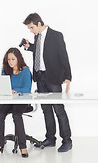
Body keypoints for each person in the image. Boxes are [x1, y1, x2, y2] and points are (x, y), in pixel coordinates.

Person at [22, 13, 72, 152]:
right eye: (29, 29)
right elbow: (42, 51)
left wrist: (68, 77)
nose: (31, 30)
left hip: (53, 78)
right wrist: (29, 46)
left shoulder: (56, 35)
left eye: (32, 27)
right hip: (40, 77)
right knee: (46, 110)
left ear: (39, 23)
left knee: (59, 110)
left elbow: (63, 56)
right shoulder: (37, 36)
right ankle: (50, 138)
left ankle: (67, 140)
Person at [0, 48, 32, 158]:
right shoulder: (5, 70)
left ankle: (23, 147)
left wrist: (16, 91)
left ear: (18, 59)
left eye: (13, 59)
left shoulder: (25, 70)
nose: (10, 62)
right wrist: (7, 91)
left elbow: (27, 89)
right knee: (0, 115)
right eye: (8, 59)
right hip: (8, 99)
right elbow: (2, 86)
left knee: (16, 115)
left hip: (22, 100)